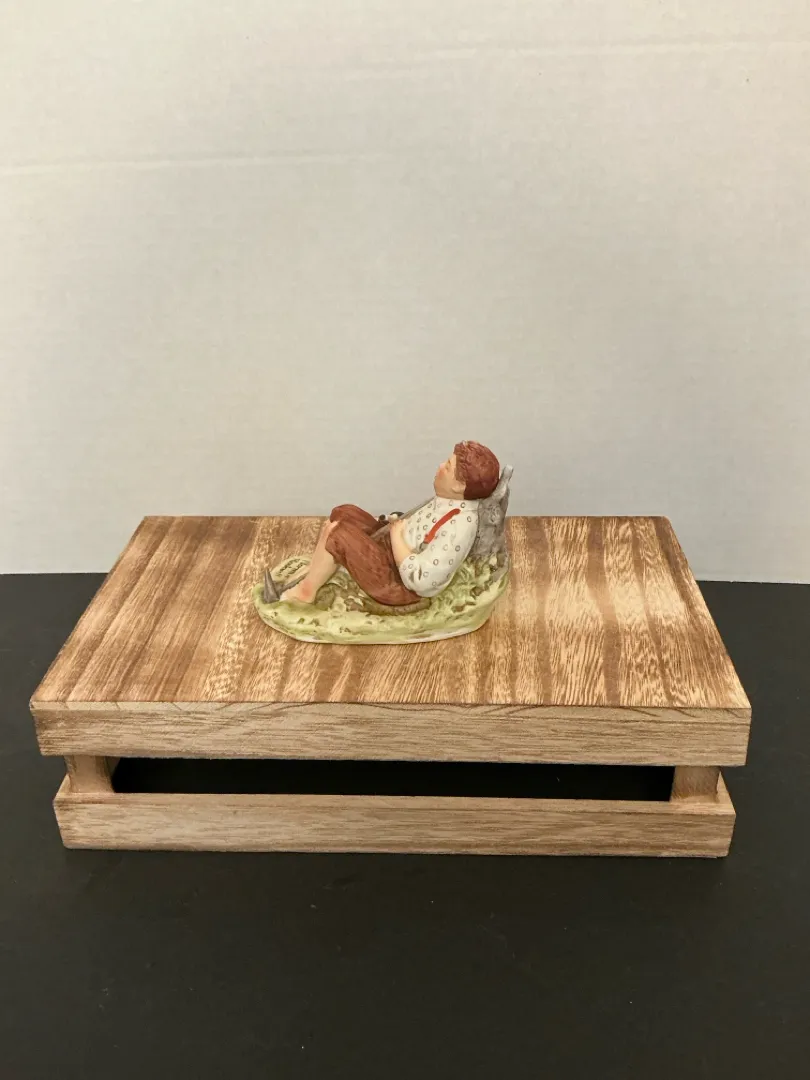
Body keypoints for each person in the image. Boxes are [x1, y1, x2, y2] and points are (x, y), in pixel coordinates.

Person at [281, 441, 501, 606]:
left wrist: (397, 539)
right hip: (389, 549)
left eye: (448, 466)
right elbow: (420, 529)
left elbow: (423, 581)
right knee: (344, 513)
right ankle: (318, 568)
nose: (440, 465)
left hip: (397, 582)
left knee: (338, 534)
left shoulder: (459, 527)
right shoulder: (448, 501)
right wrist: (395, 526)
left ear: (459, 486)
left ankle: (305, 593)